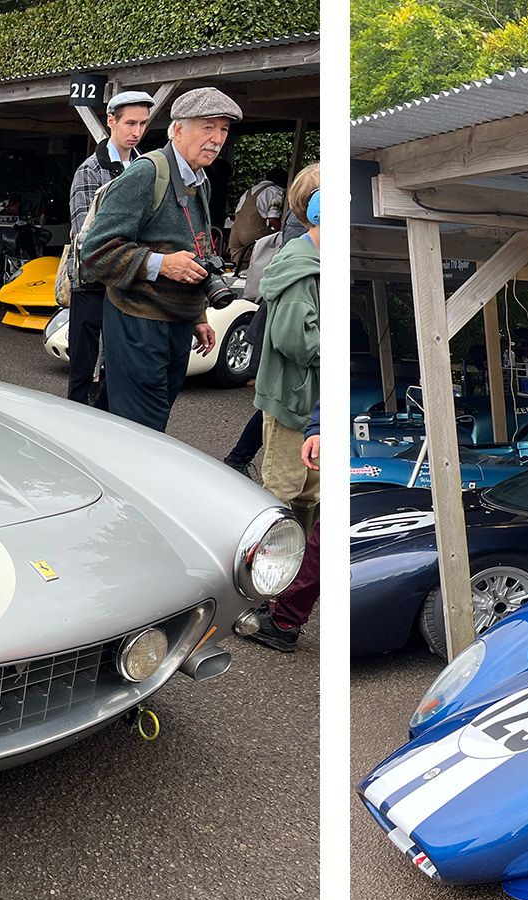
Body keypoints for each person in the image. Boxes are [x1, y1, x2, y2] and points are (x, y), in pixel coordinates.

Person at [78, 86, 241, 431]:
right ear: (178, 129)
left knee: (140, 419)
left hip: (176, 323)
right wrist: (162, 265)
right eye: (207, 127)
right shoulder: (146, 173)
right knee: (145, 427)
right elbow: (94, 250)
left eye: (223, 129)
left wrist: (197, 314)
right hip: (137, 320)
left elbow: (196, 249)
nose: (217, 138)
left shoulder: (201, 180)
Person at [237, 180, 319, 652]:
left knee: (307, 504)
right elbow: (295, 340)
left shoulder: (315, 263)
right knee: (278, 503)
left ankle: (279, 594)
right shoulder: (298, 267)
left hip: (307, 404)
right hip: (292, 403)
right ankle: (256, 595)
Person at [64, 88, 153, 407]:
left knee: (119, 367)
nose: (137, 131)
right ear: (111, 121)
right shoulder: (89, 170)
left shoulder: (148, 169)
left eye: (143, 124)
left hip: (130, 284)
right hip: (92, 282)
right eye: (130, 123)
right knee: (82, 368)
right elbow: (85, 235)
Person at [227, 167, 286, 267]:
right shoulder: (275, 191)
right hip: (253, 233)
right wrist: (283, 232)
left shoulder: (250, 191)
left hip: (235, 233)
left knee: (239, 267)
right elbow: (273, 218)